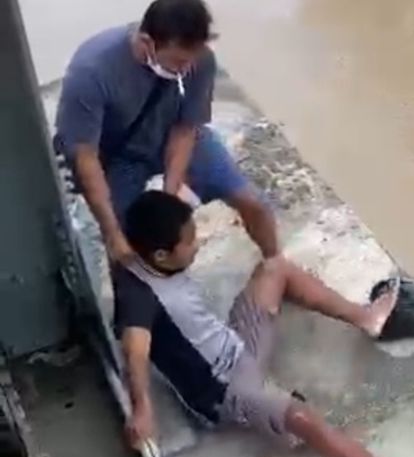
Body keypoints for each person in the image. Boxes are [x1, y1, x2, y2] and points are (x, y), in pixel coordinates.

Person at [115, 191, 414, 457]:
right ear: (160, 255)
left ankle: (367, 317)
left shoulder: (146, 255)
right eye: (189, 242)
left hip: (236, 346)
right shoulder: (139, 298)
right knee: (303, 419)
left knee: (276, 267)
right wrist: (142, 409)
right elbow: (136, 351)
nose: (198, 244)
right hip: (224, 391)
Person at [55, 0, 278, 265]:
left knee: (253, 203)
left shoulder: (199, 58)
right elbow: (86, 158)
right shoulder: (91, 72)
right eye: (179, 61)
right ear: (147, 42)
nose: (187, 69)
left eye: (193, 59)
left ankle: (276, 264)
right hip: (119, 157)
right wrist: (111, 232)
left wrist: (170, 197)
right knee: (130, 248)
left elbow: (186, 127)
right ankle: (135, 299)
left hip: (169, 131)